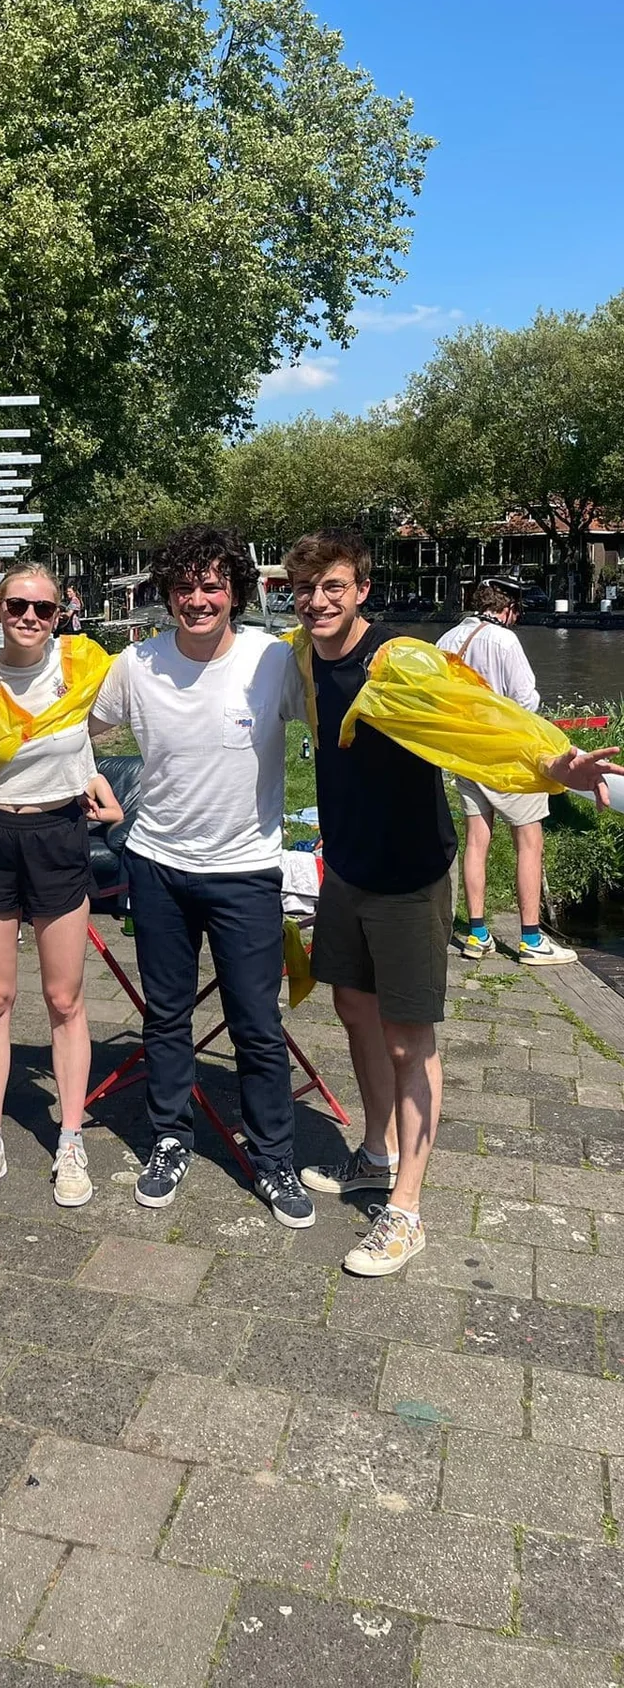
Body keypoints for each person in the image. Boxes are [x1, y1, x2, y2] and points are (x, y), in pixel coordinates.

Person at [289, 530, 617, 1276]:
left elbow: (481, 718)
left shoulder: (400, 658)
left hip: (407, 874)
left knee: (410, 1041)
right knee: (353, 1011)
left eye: (333, 586)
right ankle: (375, 1153)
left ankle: (405, 1210)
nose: (318, 600)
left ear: (362, 589)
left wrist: (552, 762)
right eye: (306, 588)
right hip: (345, 866)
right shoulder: (303, 655)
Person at [89, 524, 316, 1226]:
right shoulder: (135, 664)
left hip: (246, 869)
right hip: (156, 865)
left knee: (255, 1021)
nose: (198, 598)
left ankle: (273, 1157)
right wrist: (86, 780)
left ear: (236, 592)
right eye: (184, 586)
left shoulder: (273, 661)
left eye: (213, 585)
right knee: (166, 1016)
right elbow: (74, 730)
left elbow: (344, 716)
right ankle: (168, 1137)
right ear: (167, 594)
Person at [0, 562, 121, 1209]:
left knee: (64, 998)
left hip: (58, 836)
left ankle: (71, 1139)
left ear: (62, 614)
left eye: (43, 609)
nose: (29, 617)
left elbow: (91, 721)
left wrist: (91, 774)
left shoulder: (83, 665)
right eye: (18, 605)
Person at [437, 576, 575, 964]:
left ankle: (477, 935)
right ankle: (531, 940)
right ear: (507, 608)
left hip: (467, 753)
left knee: (477, 842)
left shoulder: (447, 640)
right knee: (529, 843)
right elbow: (526, 699)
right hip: (508, 757)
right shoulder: (504, 640)